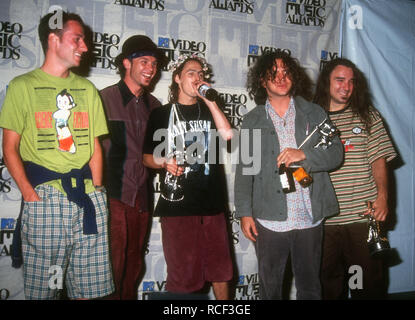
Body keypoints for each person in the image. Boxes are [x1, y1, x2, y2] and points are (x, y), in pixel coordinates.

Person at [0, 11, 114, 299]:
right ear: (53, 39)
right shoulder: (22, 86)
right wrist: (29, 192)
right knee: (47, 291)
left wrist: (98, 191)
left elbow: (94, 148)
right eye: (77, 39)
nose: (85, 47)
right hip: (46, 200)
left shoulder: (87, 89)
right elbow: (10, 147)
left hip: (88, 199)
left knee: (90, 291)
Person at [234, 51, 343, 300]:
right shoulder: (253, 120)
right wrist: (245, 213)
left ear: (294, 77)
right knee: (270, 289)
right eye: (273, 74)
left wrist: (303, 155)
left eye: (286, 72)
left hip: (309, 219)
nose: (280, 78)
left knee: (310, 287)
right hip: (270, 220)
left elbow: (336, 154)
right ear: (262, 81)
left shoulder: (315, 113)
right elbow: (245, 171)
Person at [143, 52, 234, 299]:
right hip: (177, 207)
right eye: (190, 73)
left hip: (212, 204)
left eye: (201, 74)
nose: (197, 78)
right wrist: (163, 162)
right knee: (183, 277)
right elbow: (146, 158)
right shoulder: (160, 114)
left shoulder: (210, 111)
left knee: (220, 271)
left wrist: (212, 101)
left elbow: (227, 136)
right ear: (177, 79)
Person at [313, 58, 397, 299]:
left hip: (362, 220)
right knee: (328, 287)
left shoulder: (367, 115)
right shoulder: (310, 119)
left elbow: (378, 159)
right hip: (324, 222)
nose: (346, 86)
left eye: (351, 81)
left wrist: (383, 198)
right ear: (326, 82)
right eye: (340, 79)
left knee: (364, 285)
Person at [99, 35, 165, 300]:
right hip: (111, 196)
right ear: (126, 63)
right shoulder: (103, 100)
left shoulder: (156, 107)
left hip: (142, 198)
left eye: (155, 63)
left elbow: (158, 155)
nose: (151, 68)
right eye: (144, 61)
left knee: (134, 267)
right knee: (110, 270)